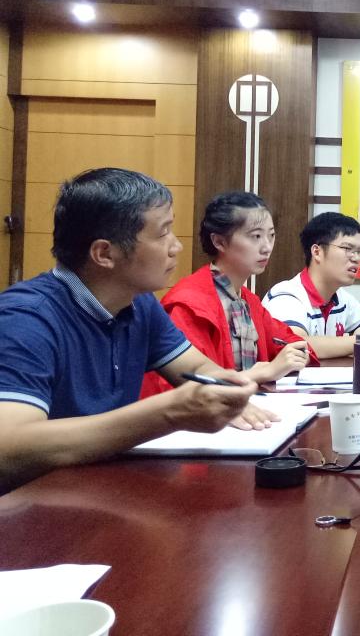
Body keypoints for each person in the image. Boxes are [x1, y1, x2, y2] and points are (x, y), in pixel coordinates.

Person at [0, 169, 269, 493]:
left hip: (101, 490)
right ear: (104, 253)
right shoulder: (27, 319)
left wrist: (228, 390)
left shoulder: (139, 304)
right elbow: (9, 447)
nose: (176, 247)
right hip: (32, 507)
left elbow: (196, 368)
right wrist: (169, 413)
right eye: (163, 233)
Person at [140, 192, 313, 397]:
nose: (267, 247)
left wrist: (296, 354)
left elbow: (291, 342)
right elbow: (184, 389)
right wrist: (262, 372)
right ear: (219, 242)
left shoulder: (248, 300)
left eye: (271, 235)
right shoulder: (189, 304)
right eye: (256, 236)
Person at [262, 212, 360, 358]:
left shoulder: (341, 298)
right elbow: (296, 345)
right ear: (317, 252)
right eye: (347, 249)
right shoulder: (286, 296)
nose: (357, 258)